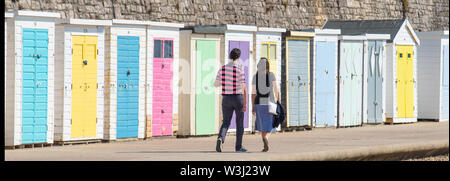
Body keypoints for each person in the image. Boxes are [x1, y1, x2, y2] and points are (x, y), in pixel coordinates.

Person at [214, 48, 248, 153]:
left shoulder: (222, 69)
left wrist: (225, 82)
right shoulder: (239, 70)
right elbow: (244, 87)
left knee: (226, 122)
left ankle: (221, 138)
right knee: (239, 123)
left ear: (229, 56)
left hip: (226, 98)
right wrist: (245, 103)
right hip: (238, 98)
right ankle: (238, 147)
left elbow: (216, 84)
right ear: (238, 57)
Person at [252, 58, 280, 152]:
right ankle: (266, 138)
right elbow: (276, 90)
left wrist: (253, 106)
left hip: (259, 103)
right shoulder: (271, 75)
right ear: (268, 66)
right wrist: (279, 101)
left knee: (263, 125)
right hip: (270, 103)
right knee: (271, 124)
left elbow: (253, 93)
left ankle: (265, 144)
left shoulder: (255, 76)